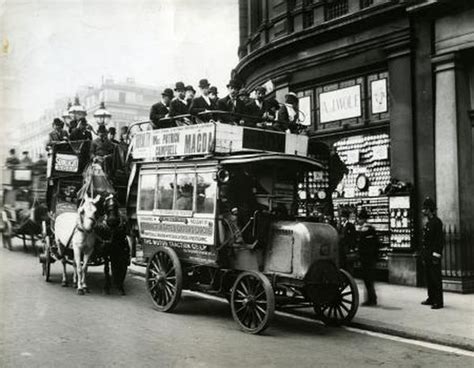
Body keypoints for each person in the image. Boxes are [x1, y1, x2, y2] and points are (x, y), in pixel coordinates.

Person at [421, 197, 444, 309]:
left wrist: (436, 255)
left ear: (430, 209)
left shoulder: (437, 222)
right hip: (427, 254)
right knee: (429, 278)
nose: (423, 211)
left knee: (435, 278)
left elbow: (439, 241)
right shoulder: (429, 223)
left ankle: (438, 301)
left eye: (425, 209)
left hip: (433, 255)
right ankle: (431, 298)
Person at [357, 208, 378, 306]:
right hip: (368, 258)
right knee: (368, 280)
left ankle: (371, 299)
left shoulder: (367, 229)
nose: (358, 220)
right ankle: (371, 298)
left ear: (363, 219)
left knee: (368, 279)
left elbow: (370, 245)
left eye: (360, 219)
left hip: (367, 258)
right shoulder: (368, 229)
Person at [338, 208, 357, 274]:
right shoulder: (341, 226)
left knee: (348, 263)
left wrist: (352, 247)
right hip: (342, 248)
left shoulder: (350, 226)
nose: (343, 218)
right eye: (342, 217)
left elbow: (353, 237)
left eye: (344, 217)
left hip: (347, 247)